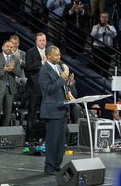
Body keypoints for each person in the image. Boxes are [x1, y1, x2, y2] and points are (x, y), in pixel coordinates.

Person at [39, 45, 76, 175]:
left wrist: (68, 82)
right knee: (52, 140)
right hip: (52, 111)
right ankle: (49, 166)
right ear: (48, 56)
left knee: (61, 141)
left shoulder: (59, 67)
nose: (59, 57)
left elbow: (61, 87)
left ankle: (56, 165)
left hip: (62, 110)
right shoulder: (44, 70)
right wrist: (62, 78)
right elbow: (48, 90)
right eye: (56, 55)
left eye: (59, 54)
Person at [0, 40, 21, 126]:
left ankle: (4, 134)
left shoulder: (15, 59)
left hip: (11, 90)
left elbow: (19, 73)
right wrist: (4, 70)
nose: (9, 48)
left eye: (11, 47)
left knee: (8, 113)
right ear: (3, 47)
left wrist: (13, 69)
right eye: (7, 46)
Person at [25, 32, 47, 138]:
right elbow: (28, 67)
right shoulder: (30, 52)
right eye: (40, 40)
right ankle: (30, 136)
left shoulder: (49, 52)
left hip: (46, 88)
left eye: (44, 40)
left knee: (44, 112)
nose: (42, 42)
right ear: (36, 41)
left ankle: (43, 135)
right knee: (32, 112)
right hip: (34, 87)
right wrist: (41, 63)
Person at [91, 12, 117, 78]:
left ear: (108, 19)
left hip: (107, 49)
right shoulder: (95, 27)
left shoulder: (111, 27)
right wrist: (97, 28)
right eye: (102, 17)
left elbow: (114, 35)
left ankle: (105, 82)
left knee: (106, 67)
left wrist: (109, 29)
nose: (104, 19)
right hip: (97, 48)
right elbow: (92, 35)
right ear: (100, 18)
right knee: (97, 67)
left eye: (106, 17)